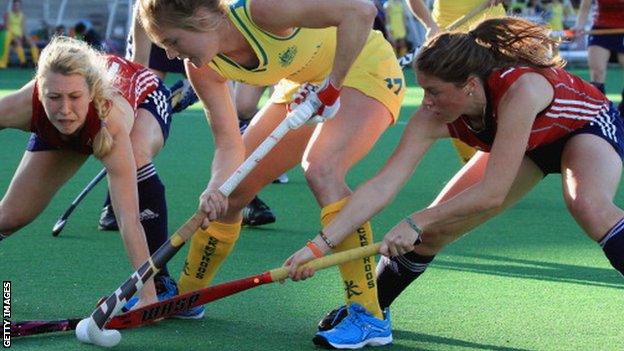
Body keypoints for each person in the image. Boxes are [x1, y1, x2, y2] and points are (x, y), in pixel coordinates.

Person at [284, 17, 624, 349]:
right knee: (434, 231)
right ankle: (371, 317)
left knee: (588, 205)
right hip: (526, 142)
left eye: (434, 92)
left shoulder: (521, 90)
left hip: (584, 127)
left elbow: (492, 193)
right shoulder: (433, 117)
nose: (426, 102)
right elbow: (383, 184)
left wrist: (414, 220)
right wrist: (318, 247)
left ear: (470, 86)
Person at [137, 0, 405, 342]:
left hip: (361, 65)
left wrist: (333, 86)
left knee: (322, 168)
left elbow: (362, 11)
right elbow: (228, 144)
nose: (172, 56)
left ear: (203, 18)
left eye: (173, 42)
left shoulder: (264, 10)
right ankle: (186, 297)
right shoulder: (202, 67)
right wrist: (216, 187)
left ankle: (369, 315)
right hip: (309, 83)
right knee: (234, 192)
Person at [0, 36, 180, 309]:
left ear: (90, 91)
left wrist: (147, 298)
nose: (64, 110)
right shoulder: (22, 106)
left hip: (147, 99)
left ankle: (158, 284)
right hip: (67, 130)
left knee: (137, 153)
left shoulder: (110, 119)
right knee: (10, 217)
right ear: (40, 91)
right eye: (53, 97)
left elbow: (128, 218)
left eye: (74, 96)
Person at [97, 1, 276, 231]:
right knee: (138, 113)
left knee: (228, 117)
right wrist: (138, 72)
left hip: (200, 24)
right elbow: (144, 9)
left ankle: (241, 195)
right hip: (158, 24)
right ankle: (116, 201)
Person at [407, 0, 506, 164]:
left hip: (492, 29)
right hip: (449, 34)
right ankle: (473, 164)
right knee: (451, 102)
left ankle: (499, 165)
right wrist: (429, 24)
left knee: (498, 96)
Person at [571, 0, 624, 115]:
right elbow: (585, 7)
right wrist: (579, 26)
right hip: (601, 29)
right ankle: (598, 114)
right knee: (597, 72)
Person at [3, 0, 39, 67]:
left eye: (18, 5)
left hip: (20, 35)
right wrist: (14, 36)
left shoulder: (22, 16)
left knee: (32, 43)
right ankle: (23, 62)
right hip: (11, 35)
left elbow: (24, 28)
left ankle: (36, 63)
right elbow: (6, 27)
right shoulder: (8, 14)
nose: (16, 7)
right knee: (18, 42)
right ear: (12, 6)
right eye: (15, 5)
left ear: (20, 6)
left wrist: (26, 36)